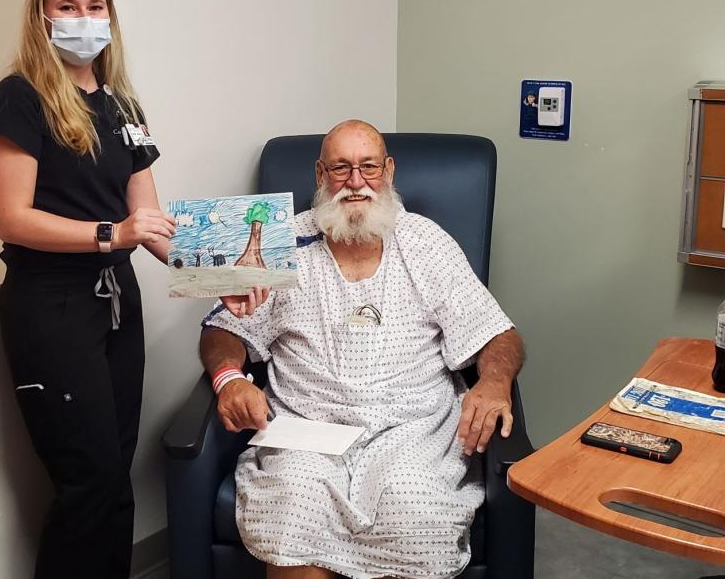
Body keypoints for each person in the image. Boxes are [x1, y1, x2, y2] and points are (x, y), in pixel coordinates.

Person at [199, 120, 525, 579]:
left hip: (413, 431)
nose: (355, 182)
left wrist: (494, 381)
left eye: (369, 166)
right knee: (294, 506)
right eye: (341, 168)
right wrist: (228, 378)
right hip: (306, 429)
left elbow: (498, 334)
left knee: (415, 512)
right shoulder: (280, 241)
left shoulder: (426, 242)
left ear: (388, 171)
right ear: (319, 174)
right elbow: (222, 328)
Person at [0, 0, 177, 578]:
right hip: (53, 306)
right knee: (87, 484)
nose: (83, 19)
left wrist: (220, 279)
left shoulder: (122, 105)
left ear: (111, 18)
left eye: (95, 7)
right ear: (42, 17)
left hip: (117, 299)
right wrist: (108, 234)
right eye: (68, 7)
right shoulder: (19, 99)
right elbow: (11, 217)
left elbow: (147, 220)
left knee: (117, 477)